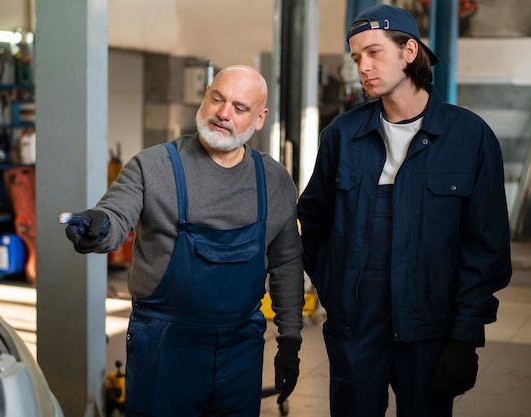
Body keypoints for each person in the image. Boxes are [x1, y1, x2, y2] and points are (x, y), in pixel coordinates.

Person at [297, 4, 512, 417]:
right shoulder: (342, 135)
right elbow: (314, 222)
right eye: (356, 56)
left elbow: (487, 249)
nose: (363, 66)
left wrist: (466, 337)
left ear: (409, 51)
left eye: (374, 52)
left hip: (430, 329)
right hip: (354, 327)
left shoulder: (469, 137)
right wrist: (334, 289)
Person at [63, 65, 304, 417]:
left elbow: (285, 262)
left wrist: (291, 339)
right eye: (217, 99)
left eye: (239, 108)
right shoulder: (153, 166)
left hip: (241, 348)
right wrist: (96, 227)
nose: (222, 114)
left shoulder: (274, 180)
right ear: (206, 96)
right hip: (164, 345)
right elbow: (115, 217)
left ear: (259, 118)